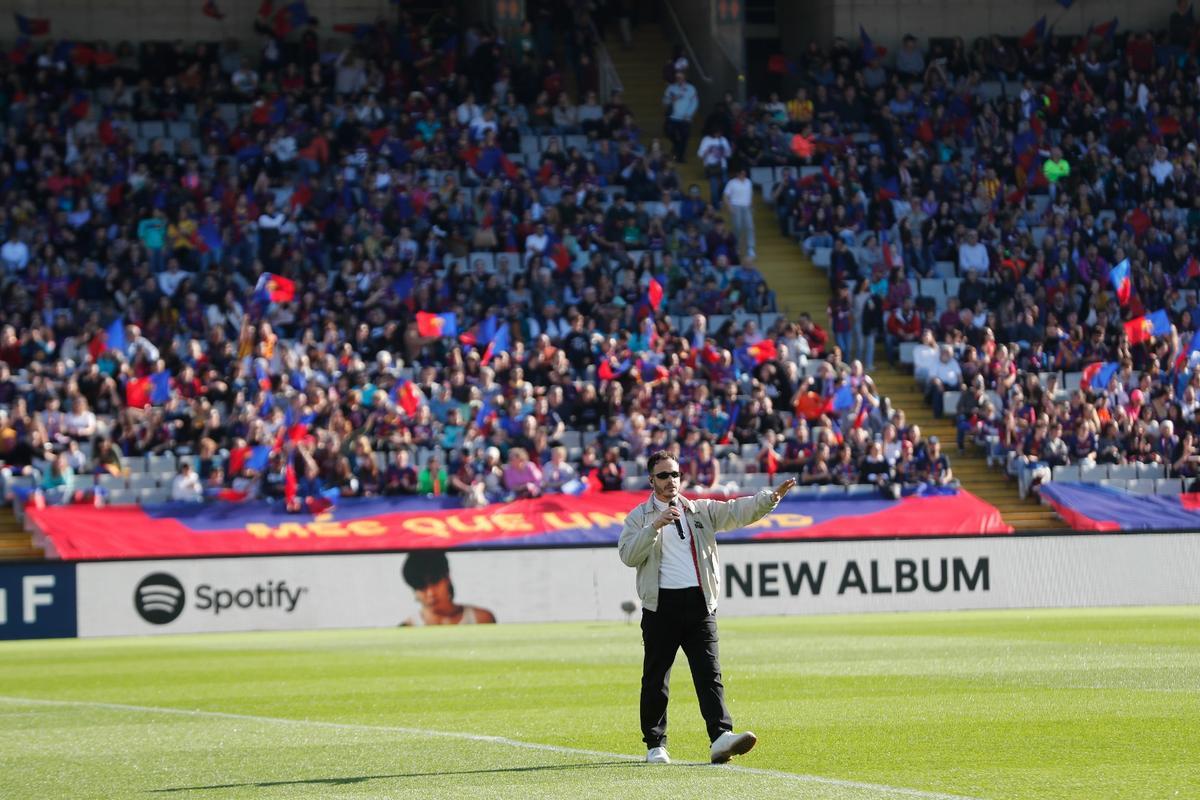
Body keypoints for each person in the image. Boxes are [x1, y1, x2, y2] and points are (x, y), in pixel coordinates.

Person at [617, 450, 796, 765]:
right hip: (661, 605)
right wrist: (654, 527)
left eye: (675, 474)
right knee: (656, 677)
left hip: (700, 603)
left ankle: (720, 737)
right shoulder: (639, 517)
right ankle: (655, 744)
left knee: (709, 673)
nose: (670, 481)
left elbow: (736, 511)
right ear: (650, 480)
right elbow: (628, 556)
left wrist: (769, 498)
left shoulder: (699, 510)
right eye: (663, 475)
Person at [399, 550, 496, 626]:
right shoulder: (408, 627)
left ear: (447, 578)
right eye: (421, 587)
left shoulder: (481, 619)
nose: (431, 593)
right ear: (414, 590)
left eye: (435, 582)